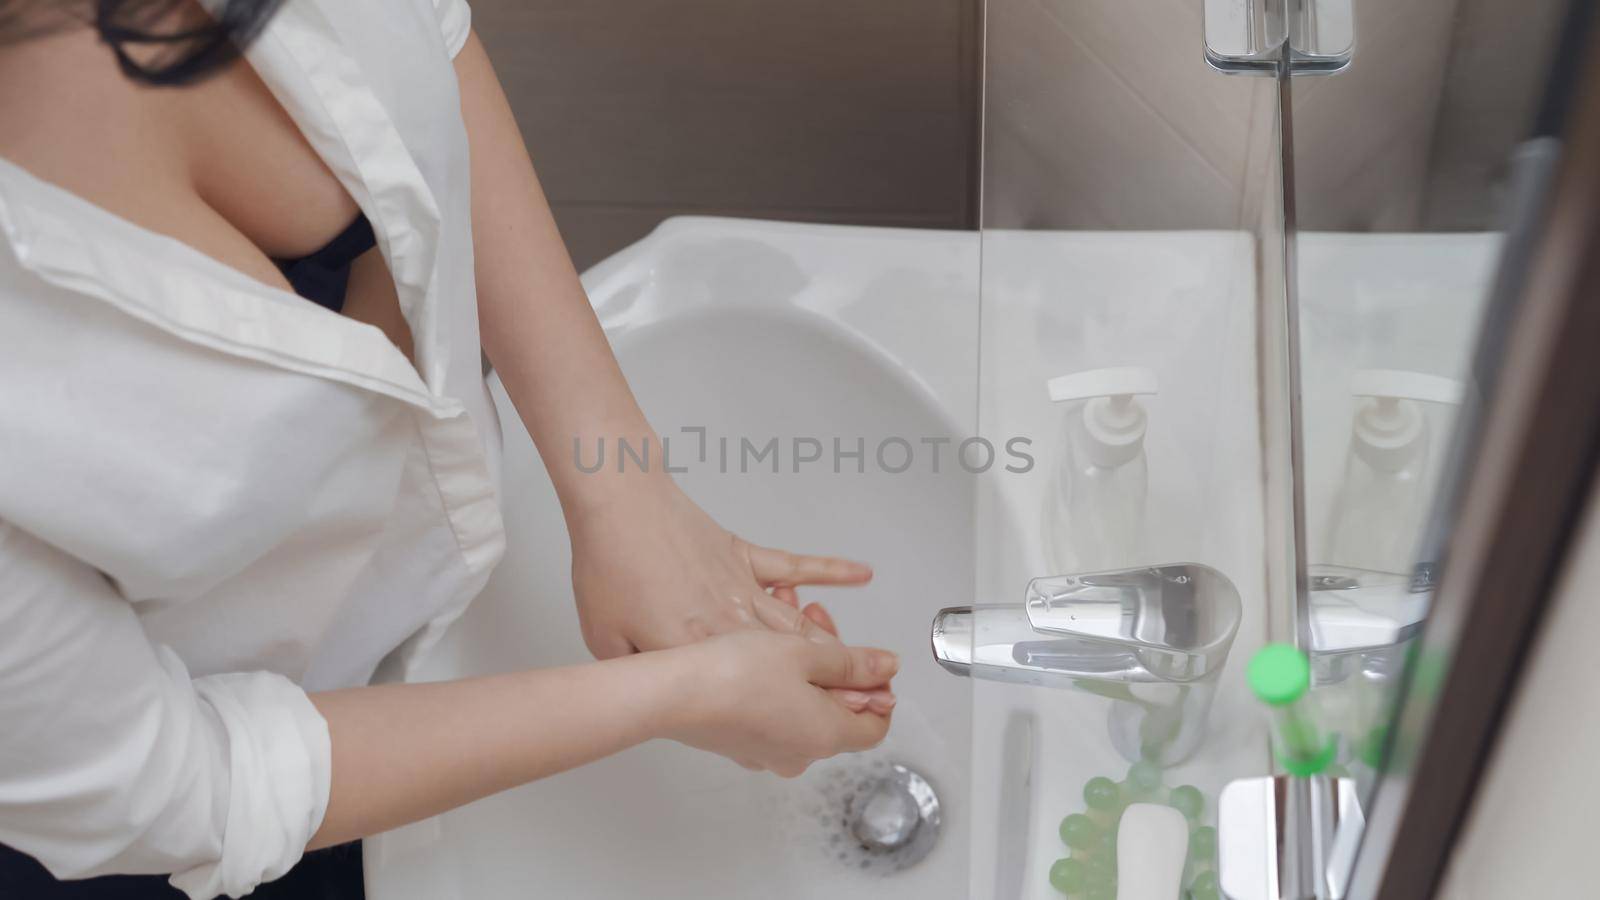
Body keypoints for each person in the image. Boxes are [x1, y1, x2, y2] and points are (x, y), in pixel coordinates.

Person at [0, 1, 897, 896]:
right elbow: (187, 790)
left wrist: (621, 487)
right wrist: (686, 693)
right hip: (162, 814)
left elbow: (422, 32)